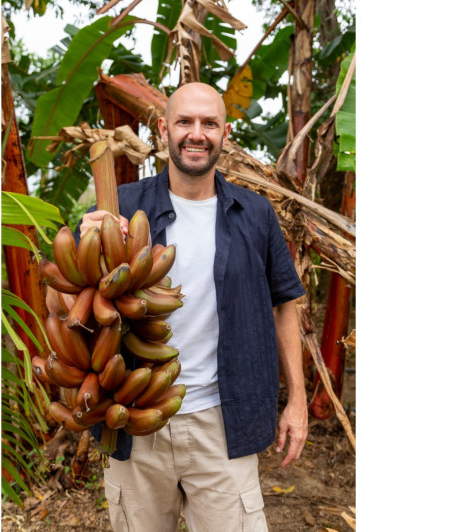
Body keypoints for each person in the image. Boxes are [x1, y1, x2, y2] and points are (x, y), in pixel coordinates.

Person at [76, 82, 307, 532]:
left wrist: (296, 401)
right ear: (163, 129)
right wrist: (88, 239)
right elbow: (71, 304)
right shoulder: (121, 205)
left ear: (225, 133)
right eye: (184, 121)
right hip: (134, 418)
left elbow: (285, 305)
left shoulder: (256, 215)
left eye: (209, 123)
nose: (196, 134)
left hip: (222, 422)